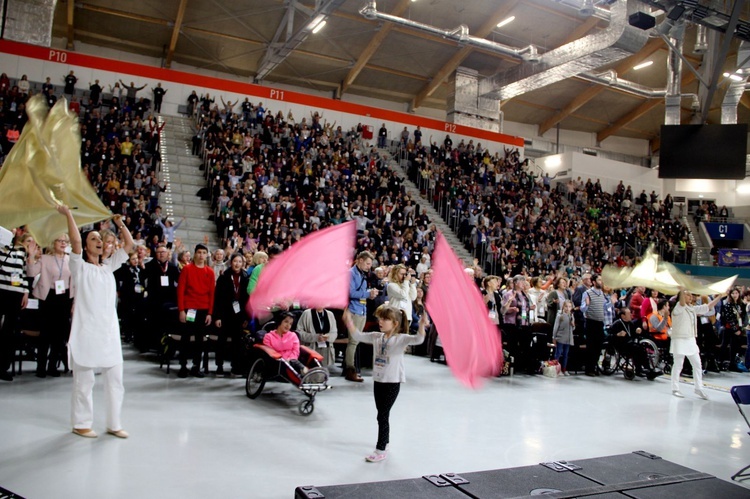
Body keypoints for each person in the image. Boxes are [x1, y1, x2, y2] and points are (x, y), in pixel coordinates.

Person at [58, 204, 134, 438]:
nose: (99, 241)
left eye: (100, 238)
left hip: (109, 331)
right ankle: (81, 423)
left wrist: (119, 224)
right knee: (84, 380)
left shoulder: (108, 267)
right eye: (93, 238)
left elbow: (129, 246)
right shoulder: (79, 266)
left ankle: (114, 423)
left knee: (115, 380)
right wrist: (69, 215)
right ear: (86, 244)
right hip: (86, 330)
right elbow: (76, 243)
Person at [342, 306, 428, 463]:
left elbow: (418, 339)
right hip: (378, 381)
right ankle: (385, 443)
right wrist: (348, 321)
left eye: (385, 319)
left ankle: (380, 448)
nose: (380, 321)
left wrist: (422, 325)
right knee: (381, 415)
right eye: (380, 318)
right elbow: (357, 335)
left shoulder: (401, 339)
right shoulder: (376, 337)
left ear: (395, 323)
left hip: (392, 382)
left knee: (382, 415)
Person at [27, 234, 74, 378]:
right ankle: (41, 367)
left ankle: (52, 366)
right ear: (53, 243)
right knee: (45, 334)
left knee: (59, 336)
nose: (63, 243)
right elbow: (31, 272)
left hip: (64, 298)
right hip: (48, 297)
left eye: (65, 241)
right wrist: (31, 256)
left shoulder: (70, 259)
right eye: (60, 241)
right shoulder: (45, 259)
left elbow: (74, 282)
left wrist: (73, 302)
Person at [670, 289, 723, 399]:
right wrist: (682, 287)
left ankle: (698, 388)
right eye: (687, 295)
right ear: (682, 297)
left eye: (690, 295)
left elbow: (707, 307)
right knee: (678, 365)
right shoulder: (678, 308)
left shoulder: (692, 309)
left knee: (697, 364)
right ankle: (675, 388)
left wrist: (719, 297)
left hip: (690, 339)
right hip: (679, 339)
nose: (691, 297)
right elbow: (682, 302)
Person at [176, 244, 216, 378]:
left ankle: (196, 366)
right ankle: (183, 366)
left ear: (207, 255)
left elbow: (212, 293)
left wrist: (210, 313)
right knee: (186, 338)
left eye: (204, 253)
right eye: (199, 252)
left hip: (203, 309)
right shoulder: (187, 269)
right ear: (195, 254)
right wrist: (181, 310)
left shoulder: (210, 272)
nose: (201, 255)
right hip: (190, 309)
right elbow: (180, 290)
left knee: (200, 340)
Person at [0, 229, 31, 381]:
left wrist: (25, 291)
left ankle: (4, 366)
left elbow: (22, 273)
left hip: (15, 292)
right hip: (1, 290)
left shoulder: (20, 253)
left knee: (9, 330)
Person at [213, 253, 249, 376]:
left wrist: (246, 317)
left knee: (237, 342)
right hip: (225, 314)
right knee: (221, 341)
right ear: (231, 262)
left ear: (242, 263)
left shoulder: (245, 277)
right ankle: (219, 366)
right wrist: (217, 316)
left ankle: (235, 367)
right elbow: (217, 298)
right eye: (235, 261)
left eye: (240, 261)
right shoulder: (223, 276)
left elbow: (247, 299)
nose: (237, 264)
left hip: (239, 316)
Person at [346, 251, 378, 382]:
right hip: (354, 311)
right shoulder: (351, 274)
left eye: (370, 264)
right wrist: (368, 294)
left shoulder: (362, 274)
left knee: (356, 341)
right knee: (353, 342)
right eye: (367, 263)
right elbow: (351, 292)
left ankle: (353, 369)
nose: (369, 266)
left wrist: (369, 293)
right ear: (359, 260)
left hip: (362, 310)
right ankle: (350, 370)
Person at [142, 244, 180, 352]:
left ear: (167, 254)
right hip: (154, 299)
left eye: (163, 252)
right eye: (158, 252)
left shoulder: (172, 267)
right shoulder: (149, 265)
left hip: (169, 299)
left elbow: (179, 281)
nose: (161, 254)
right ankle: (154, 344)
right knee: (154, 323)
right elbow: (142, 279)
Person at [582, 274, 606, 376]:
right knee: (591, 347)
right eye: (599, 280)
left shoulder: (602, 293)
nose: (601, 282)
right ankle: (589, 369)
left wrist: (611, 303)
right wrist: (587, 304)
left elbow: (603, 307)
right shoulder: (587, 293)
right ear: (594, 282)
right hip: (591, 322)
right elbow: (582, 309)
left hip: (600, 322)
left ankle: (595, 366)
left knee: (598, 346)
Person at [552, 300, 574, 376]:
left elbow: (572, 329)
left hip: (568, 339)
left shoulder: (571, 316)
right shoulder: (559, 316)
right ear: (563, 307)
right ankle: (556, 369)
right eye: (566, 306)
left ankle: (564, 369)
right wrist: (554, 337)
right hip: (560, 338)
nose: (568, 308)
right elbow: (556, 327)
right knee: (558, 353)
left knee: (565, 354)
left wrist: (573, 325)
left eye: (569, 306)